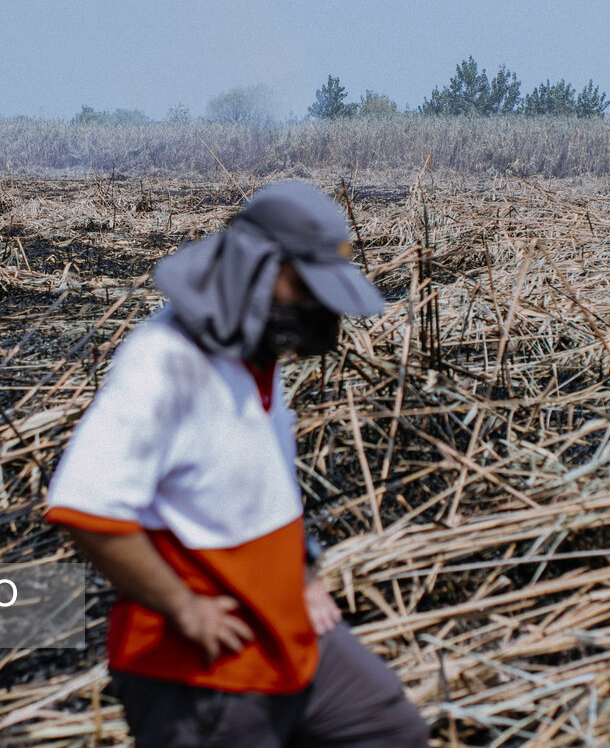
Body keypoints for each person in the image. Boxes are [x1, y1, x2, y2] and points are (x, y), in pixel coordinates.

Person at [45, 181, 428, 747]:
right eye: (307, 286)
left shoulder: (258, 356)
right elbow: (84, 506)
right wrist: (184, 607)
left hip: (286, 625)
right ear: (255, 267)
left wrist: (301, 571)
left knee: (387, 730)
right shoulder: (164, 361)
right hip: (203, 669)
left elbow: (253, 487)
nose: (320, 308)